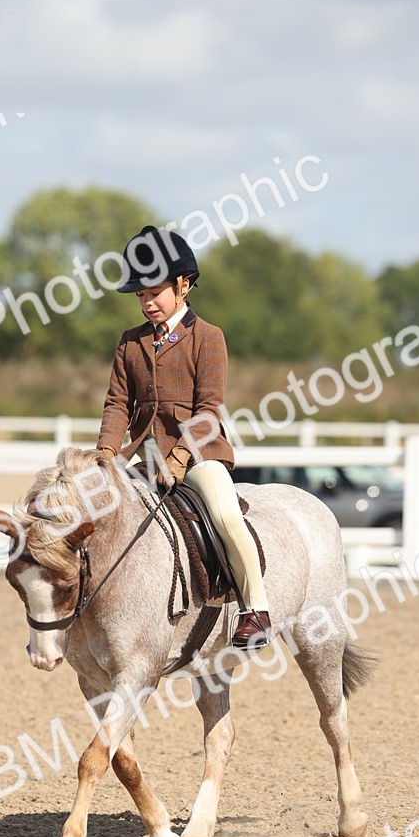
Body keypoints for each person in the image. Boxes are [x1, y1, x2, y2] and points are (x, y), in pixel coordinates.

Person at [96, 224, 272, 649]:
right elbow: (118, 403)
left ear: (183, 285)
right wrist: (105, 453)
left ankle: (256, 610)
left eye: (154, 293)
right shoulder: (130, 342)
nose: (147, 303)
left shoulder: (208, 338)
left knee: (226, 515)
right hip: (145, 455)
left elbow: (209, 410)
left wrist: (178, 460)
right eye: (140, 295)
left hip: (198, 455)